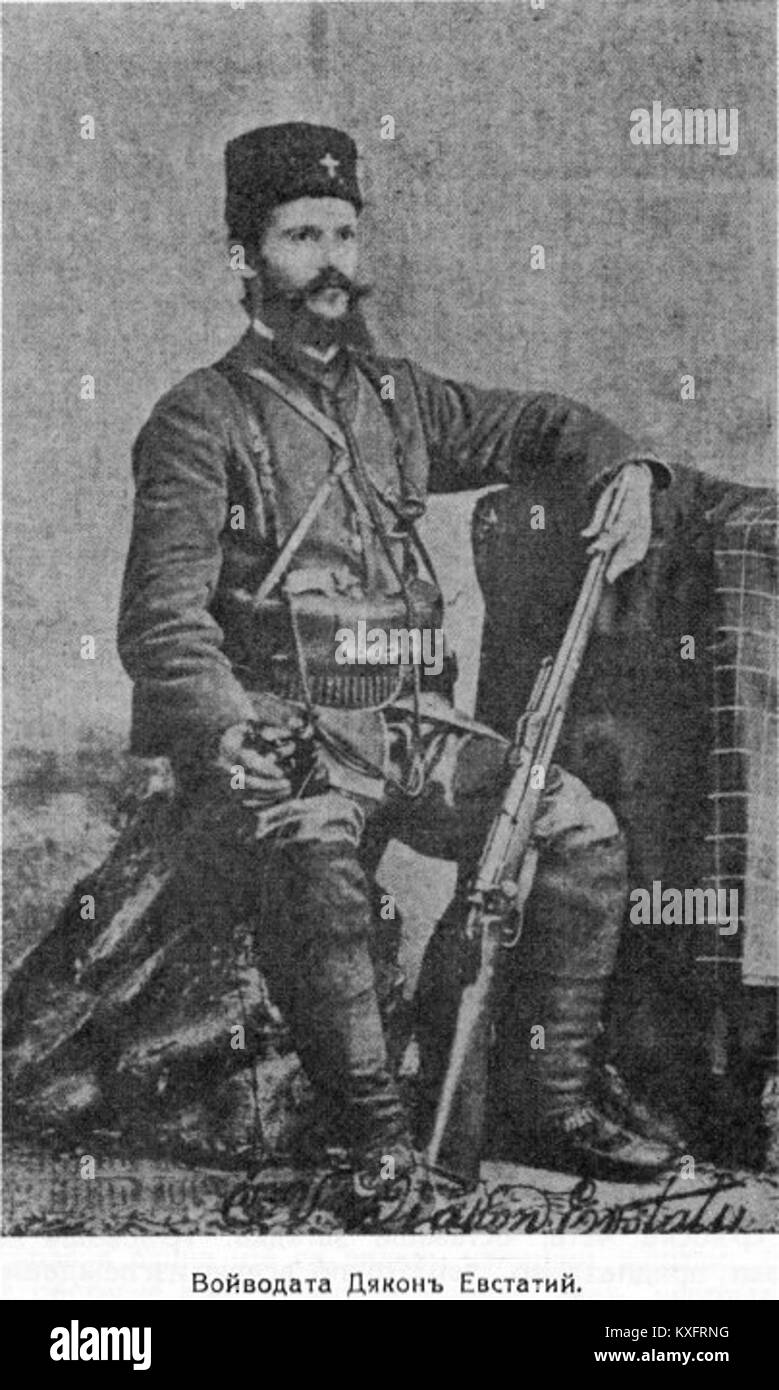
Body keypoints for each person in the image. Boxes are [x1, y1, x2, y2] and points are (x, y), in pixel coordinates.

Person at [116, 121, 679, 1193]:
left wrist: (628, 470)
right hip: (289, 739)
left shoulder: (393, 397)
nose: (330, 260)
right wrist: (228, 726)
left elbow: (541, 428)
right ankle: (375, 1143)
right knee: (319, 873)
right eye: (298, 236)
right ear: (243, 259)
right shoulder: (199, 419)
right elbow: (159, 622)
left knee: (578, 834)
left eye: (342, 231)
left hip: (414, 730)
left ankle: (545, 1101)